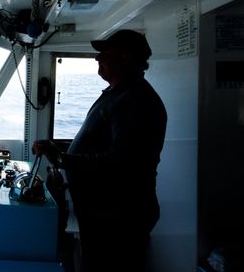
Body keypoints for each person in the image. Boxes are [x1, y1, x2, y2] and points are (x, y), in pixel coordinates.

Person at [33, 29, 167, 272]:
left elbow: (121, 161)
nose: (97, 58)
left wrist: (63, 159)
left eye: (105, 53)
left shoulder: (135, 101)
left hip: (119, 216)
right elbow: (101, 143)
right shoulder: (121, 94)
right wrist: (59, 149)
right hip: (107, 212)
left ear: (125, 58)